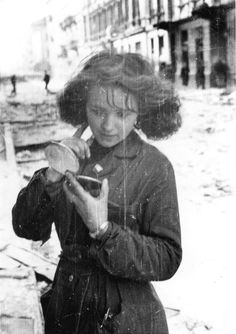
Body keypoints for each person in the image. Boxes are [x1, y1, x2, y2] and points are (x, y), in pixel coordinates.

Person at [12, 51, 182, 334]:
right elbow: (24, 227)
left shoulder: (155, 166)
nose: (108, 125)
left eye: (123, 114)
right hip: (66, 310)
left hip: (126, 318)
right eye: (98, 111)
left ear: (142, 111)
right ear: (82, 107)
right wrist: (49, 179)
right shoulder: (71, 157)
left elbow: (168, 257)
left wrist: (103, 230)